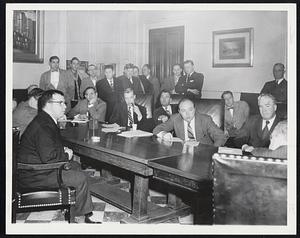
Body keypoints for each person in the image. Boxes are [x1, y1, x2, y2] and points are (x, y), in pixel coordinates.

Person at [17, 90, 101, 223]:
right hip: (34, 175)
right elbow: (49, 158)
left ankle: (71, 207)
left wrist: (62, 149)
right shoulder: (43, 125)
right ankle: (80, 218)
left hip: (38, 169)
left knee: (76, 166)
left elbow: (47, 147)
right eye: (60, 103)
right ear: (48, 105)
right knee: (80, 177)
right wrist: (66, 154)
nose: (65, 106)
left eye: (64, 103)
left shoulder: (45, 120)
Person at [153, 98, 226, 146]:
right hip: (183, 153)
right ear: (179, 112)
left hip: (202, 153)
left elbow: (220, 136)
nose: (187, 114)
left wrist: (212, 151)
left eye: (190, 110)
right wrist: (164, 134)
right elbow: (156, 129)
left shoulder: (205, 119)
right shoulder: (175, 118)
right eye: (183, 110)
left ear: (195, 109)